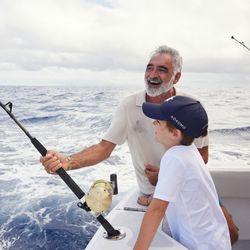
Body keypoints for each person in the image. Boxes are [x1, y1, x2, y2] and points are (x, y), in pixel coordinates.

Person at [40, 45, 238, 244]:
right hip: (153, 195)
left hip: (188, 192)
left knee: (232, 234)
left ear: (176, 77)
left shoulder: (192, 107)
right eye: (149, 67)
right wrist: (68, 162)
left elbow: (202, 156)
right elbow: (104, 148)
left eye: (161, 69)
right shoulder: (129, 105)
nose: (152, 74)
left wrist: (163, 175)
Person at [134, 95, 231, 250]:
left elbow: (156, 211)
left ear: (175, 134)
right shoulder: (189, 151)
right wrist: (152, 198)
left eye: (158, 122)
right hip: (214, 241)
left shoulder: (174, 158)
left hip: (200, 245)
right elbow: (174, 187)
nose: (153, 123)